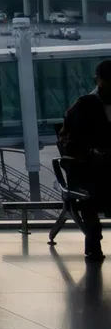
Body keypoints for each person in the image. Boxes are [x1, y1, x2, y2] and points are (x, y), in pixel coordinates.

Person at [58, 60, 111, 262]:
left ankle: (93, 241)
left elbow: (66, 140)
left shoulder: (83, 105)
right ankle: (93, 240)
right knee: (95, 185)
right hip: (91, 168)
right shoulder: (85, 105)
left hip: (90, 168)